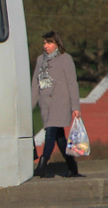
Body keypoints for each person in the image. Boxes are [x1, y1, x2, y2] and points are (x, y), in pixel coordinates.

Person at [30, 30, 82, 178]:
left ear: (57, 44)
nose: (46, 45)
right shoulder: (41, 60)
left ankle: (42, 165)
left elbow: (72, 84)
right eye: (45, 42)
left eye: (49, 42)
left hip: (61, 102)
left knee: (50, 132)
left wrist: (75, 107)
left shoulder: (66, 59)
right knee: (59, 138)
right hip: (45, 104)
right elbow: (36, 84)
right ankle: (72, 166)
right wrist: (29, 107)